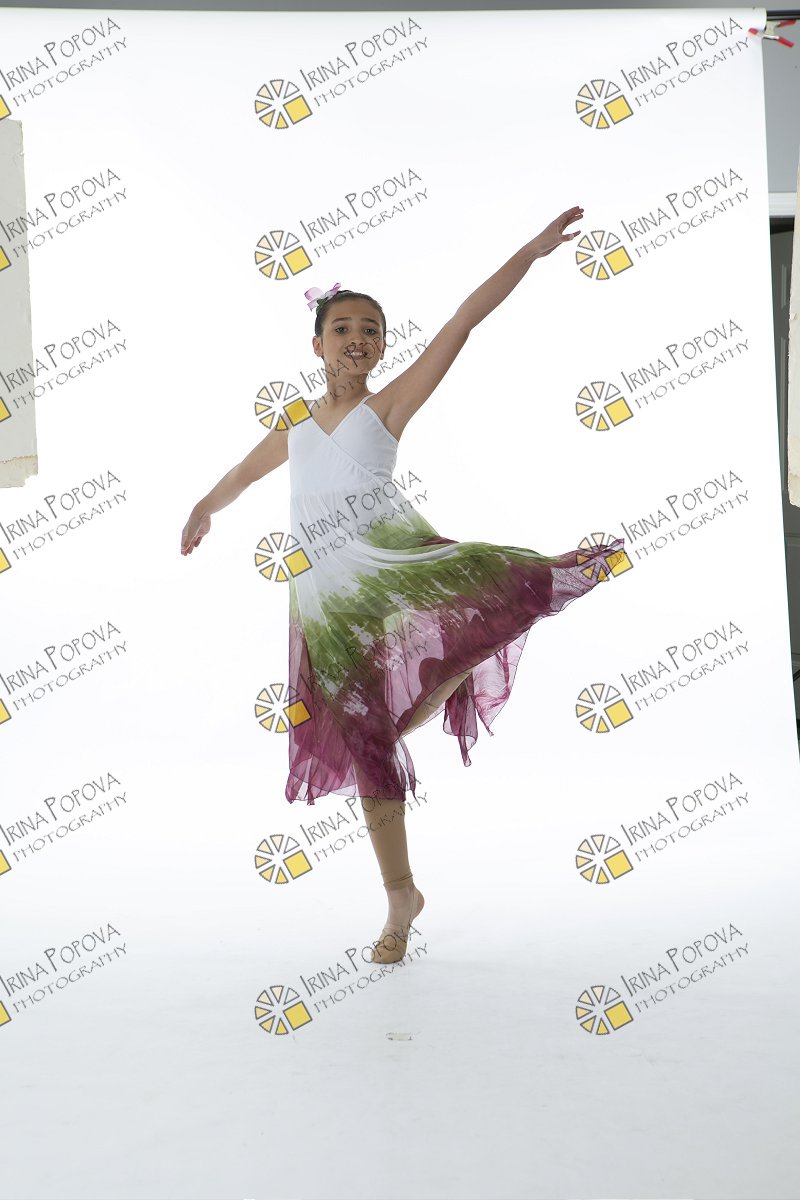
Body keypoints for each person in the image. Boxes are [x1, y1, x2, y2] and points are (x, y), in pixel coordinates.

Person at [181, 206, 625, 965]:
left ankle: (478, 646)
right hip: (328, 605)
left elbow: (463, 322)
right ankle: (401, 897)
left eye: (371, 330)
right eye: (342, 329)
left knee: (500, 591)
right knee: (367, 743)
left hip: (396, 574)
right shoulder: (295, 425)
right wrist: (204, 507)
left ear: (383, 346)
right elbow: (242, 474)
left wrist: (530, 251)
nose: (357, 339)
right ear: (318, 344)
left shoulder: (388, 406)